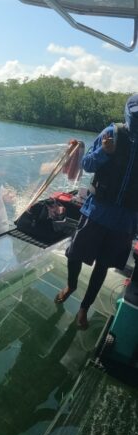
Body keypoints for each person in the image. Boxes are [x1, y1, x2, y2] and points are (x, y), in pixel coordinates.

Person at [56, 94, 138, 328]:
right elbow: (87, 164)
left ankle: (84, 308)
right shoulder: (111, 133)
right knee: (74, 254)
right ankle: (71, 285)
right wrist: (105, 152)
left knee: (103, 265)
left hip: (125, 220)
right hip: (97, 211)